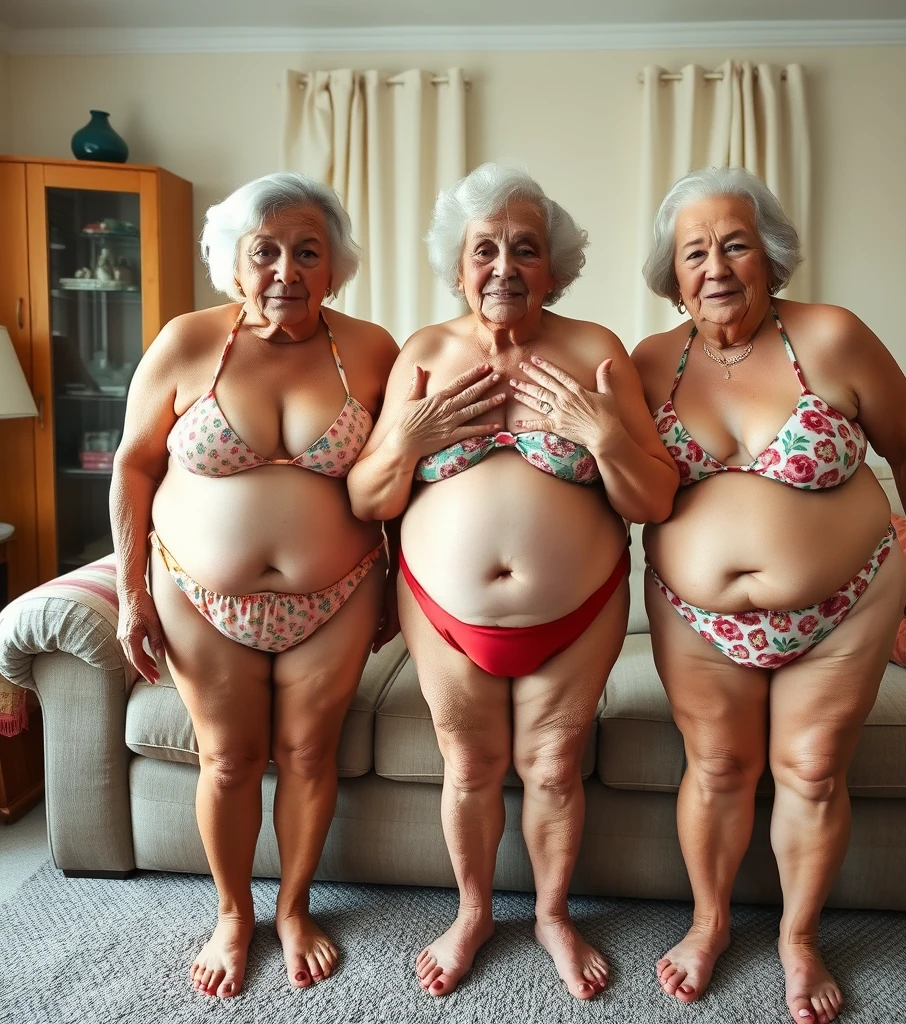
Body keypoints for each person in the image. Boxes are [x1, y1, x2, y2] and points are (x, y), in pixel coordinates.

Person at [632, 166, 906, 1024]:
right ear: (671, 271)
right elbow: (619, 482)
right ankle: (709, 925)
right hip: (693, 611)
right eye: (693, 250)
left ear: (771, 256)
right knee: (718, 765)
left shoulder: (833, 336)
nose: (715, 265)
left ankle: (798, 938)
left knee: (811, 773)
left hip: (844, 601)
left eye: (734, 244)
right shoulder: (648, 362)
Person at [347, 163, 677, 1000]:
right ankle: (472, 912)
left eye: (524, 249)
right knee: (467, 765)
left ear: (553, 266)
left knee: (556, 766)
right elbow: (368, 496)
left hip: (580, 604)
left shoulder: (595, 349)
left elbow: (655, 497)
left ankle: (554, 915)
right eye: (484, 249)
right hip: (438, 604)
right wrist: (408, 440)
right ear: (458, 267)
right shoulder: (422, 353)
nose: (504, 266)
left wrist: (600, 435)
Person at [111, 172, 398, 998]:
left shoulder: (371, 348)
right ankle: (234, 912)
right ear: (233, 264)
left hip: (338, 591)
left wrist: (396, 588)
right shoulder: (185, 342)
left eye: (308, 251)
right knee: (230, 759)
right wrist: (131, 593)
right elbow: (133, 466)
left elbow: (402, 474)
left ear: (334, 266)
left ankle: (297, 907)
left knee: (311, 754)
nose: (285, 270)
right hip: (199, 597)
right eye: (264, 251)